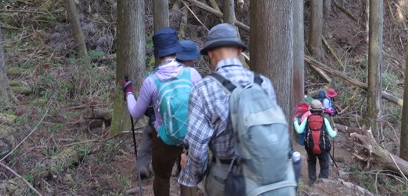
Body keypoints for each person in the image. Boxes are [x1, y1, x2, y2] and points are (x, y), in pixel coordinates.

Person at [178, 23, 294, 195]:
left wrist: (191, 176)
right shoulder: (263, 83)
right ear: (239, 52)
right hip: (269, 175)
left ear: (210, 53)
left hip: (227, 179)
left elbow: (197, 147)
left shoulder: (203, 90)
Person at [123, 28, 201, 196]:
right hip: (190, 136)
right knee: (186, 175)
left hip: (165, 139)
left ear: (157, 54)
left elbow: (136, 113)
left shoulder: (151, 81)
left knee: (162, 178)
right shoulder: (192, 74)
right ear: (176, 49)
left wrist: (128, 91)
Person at [293, 99, 337, 182]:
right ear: (321, 110)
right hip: (323, 147)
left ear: (311, 110)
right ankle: (323, 180)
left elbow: (299, 130)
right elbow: (332, 134)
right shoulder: (324, 120)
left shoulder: (307, 119)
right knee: (324, 163)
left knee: (311, 163)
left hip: (310, 146)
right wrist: (335, 131)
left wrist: (295, 121)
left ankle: (312, 180)